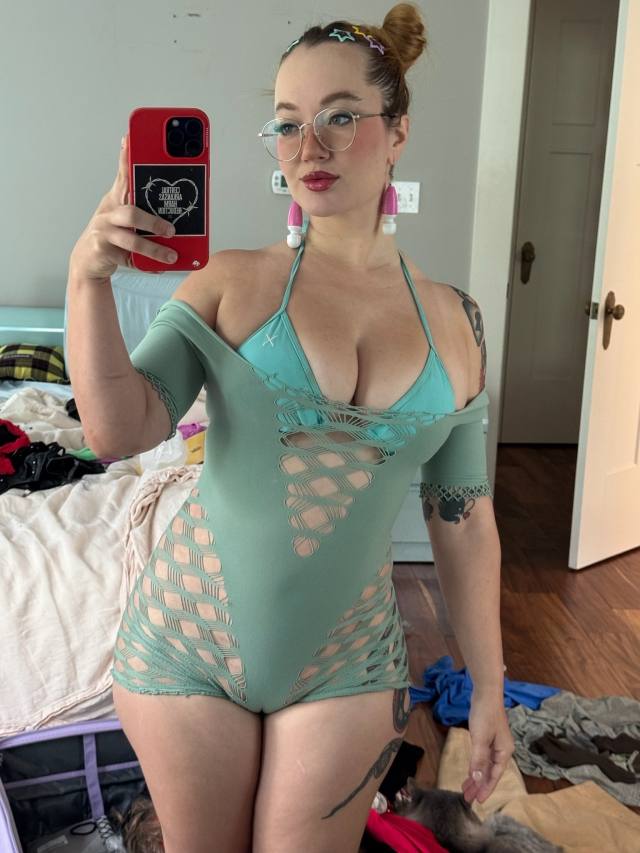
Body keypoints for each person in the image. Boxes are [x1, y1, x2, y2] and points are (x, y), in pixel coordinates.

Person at [66, 4, 514, 851]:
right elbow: (117, 430)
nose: (310, 145)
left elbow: (462, 517)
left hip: (348, 662)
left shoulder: (459, 322)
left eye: (340, 116)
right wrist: (88, 278)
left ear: (399, 130)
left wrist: (489, 690)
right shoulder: (230, 282)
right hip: (188, 646)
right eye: (287, 123)